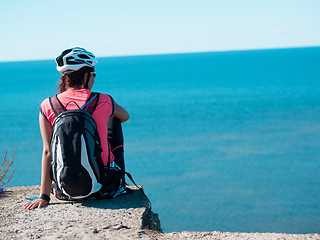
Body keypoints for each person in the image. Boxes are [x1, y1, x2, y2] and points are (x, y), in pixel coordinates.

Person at [24, 47, 130, 210]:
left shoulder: (47, 105)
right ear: (87, 76)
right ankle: (121, 183)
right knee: (114, 122)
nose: (94, 78)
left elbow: (47, 152)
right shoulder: (103, 100)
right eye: (94, 74)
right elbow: (125, 116)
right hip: (104, 188)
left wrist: (44, 196)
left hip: (64, 191)